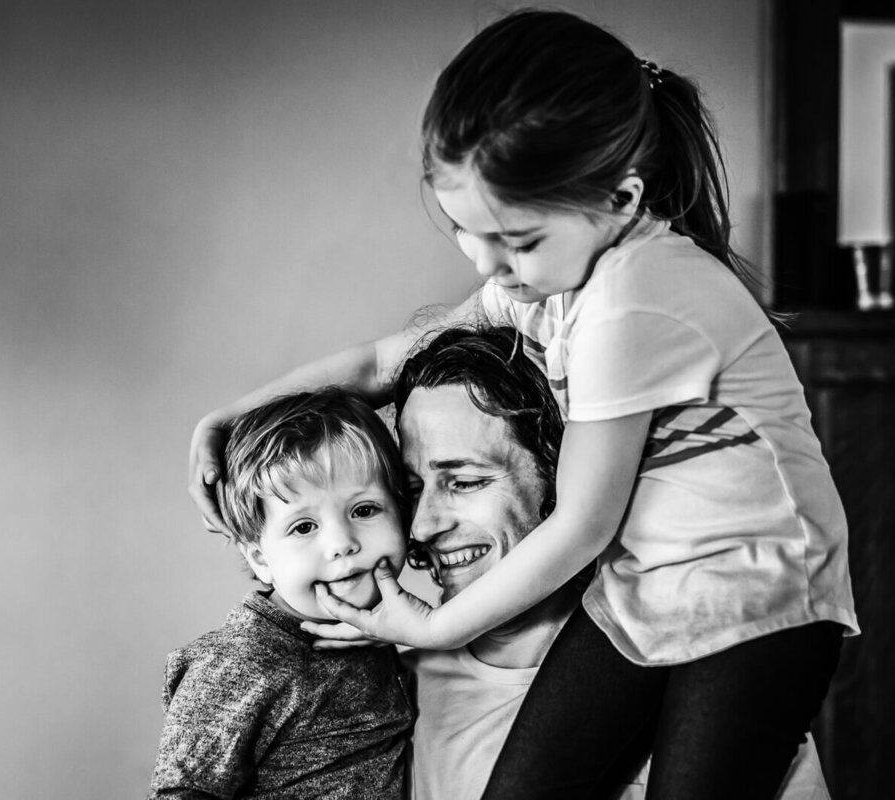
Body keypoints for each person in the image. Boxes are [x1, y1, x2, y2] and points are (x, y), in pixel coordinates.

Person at [188, 9, 858, 798]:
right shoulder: (548, 283)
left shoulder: (635, 297)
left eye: (517, 239)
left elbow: (582, 522)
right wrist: (233, 416)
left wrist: (433, 626)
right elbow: (380, 361)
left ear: (619, 197)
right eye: (469, 232)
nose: (489, 264)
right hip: (648, 584)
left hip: (760, 600)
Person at [392, 326, 829, 800]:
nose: (423, 526)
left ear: (566, 478)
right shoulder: (389, 694)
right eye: (414, 490)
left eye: (465, 482)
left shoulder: (712, 698)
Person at [151, 389, 413, 799]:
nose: (342, 543)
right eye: (304, 527)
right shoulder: (237, 664)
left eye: (364, 510)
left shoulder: (397, 628)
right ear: (260, 559)